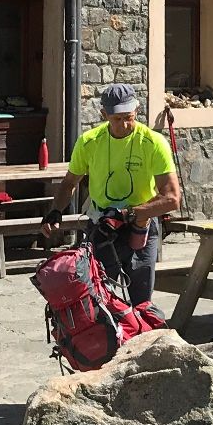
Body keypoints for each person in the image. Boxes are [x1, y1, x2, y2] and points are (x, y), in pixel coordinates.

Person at [41, 84, 181, 306]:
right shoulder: (89, 142)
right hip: (102, 226)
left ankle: (141, 327)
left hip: (140, 225)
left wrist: (128, 214)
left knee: (142, 303)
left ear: (137, 110)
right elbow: (69, 183)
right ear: (104, 114)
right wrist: (55, 211)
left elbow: (172, 198)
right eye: (117, 119)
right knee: (98, 301)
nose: (124, 125)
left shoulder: (153, 142)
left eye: (129, 117)